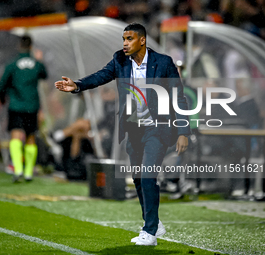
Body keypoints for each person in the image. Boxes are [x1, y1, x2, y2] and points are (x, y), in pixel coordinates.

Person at [55, 23, 190, 246]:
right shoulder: (119, 60)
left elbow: (179, 97)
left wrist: (184, 131)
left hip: (158, 129)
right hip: (134, 130)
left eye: (129, 39)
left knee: (147, 175)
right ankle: (153, 221)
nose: (125, 43)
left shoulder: (163, 63)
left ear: (142, 40)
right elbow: (101, 76)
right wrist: (77, 85)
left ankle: (149, 230)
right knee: (138, 178)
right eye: (123, 39)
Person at [0, 35, 47, 183]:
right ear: (31, 47)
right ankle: (28, 173)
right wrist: (39, 60)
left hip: (16, 105)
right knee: (31, 137)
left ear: (19, 46)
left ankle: (17, 169)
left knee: (16, 135)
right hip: (32, 106)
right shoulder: (37, 65)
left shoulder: (12, 64)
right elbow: (44, 75)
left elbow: (2, 84)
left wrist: (2, 98)